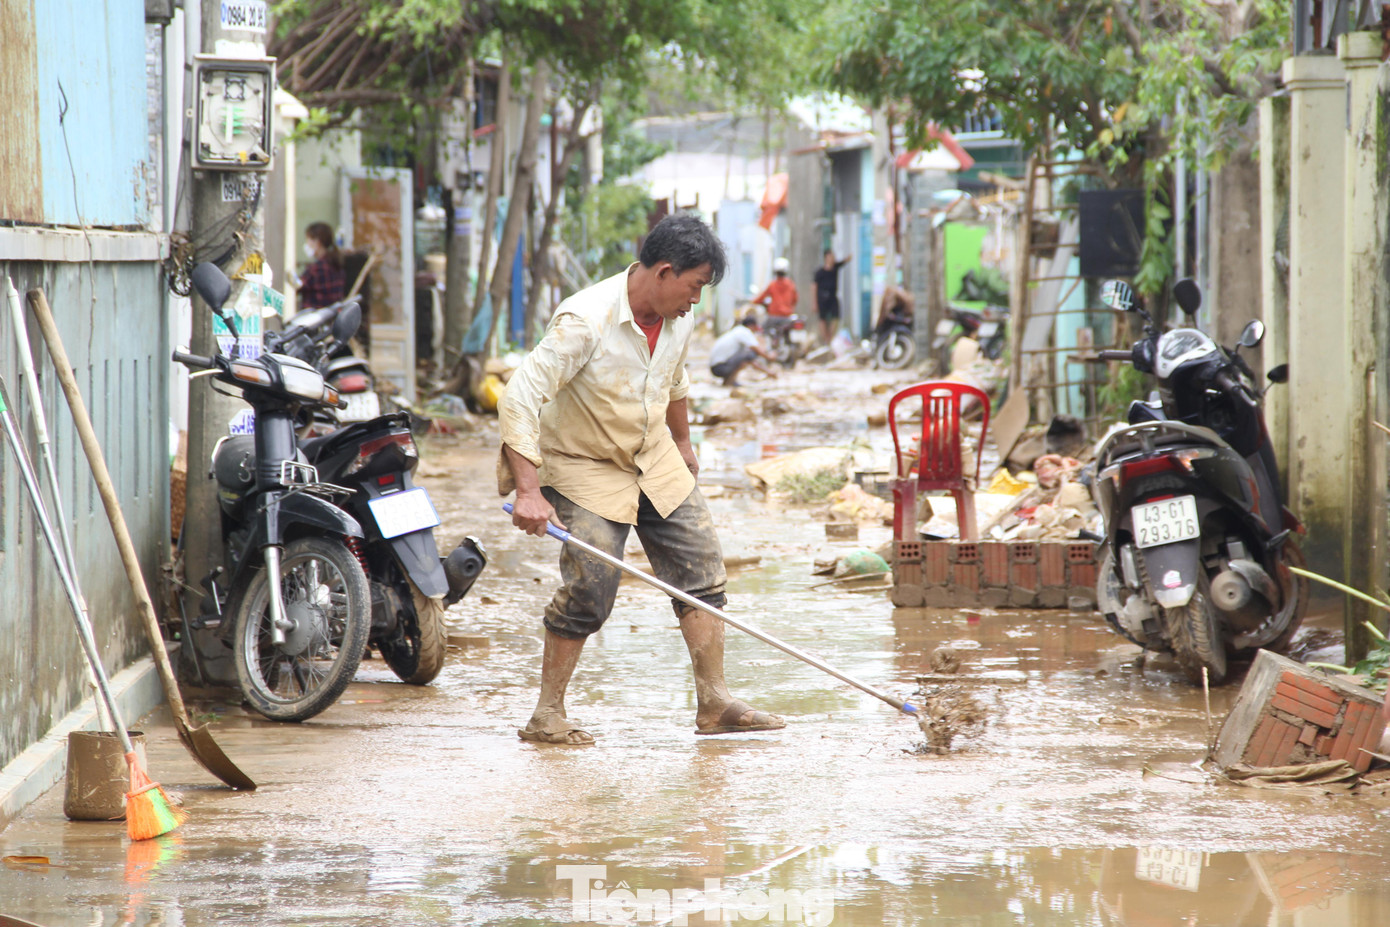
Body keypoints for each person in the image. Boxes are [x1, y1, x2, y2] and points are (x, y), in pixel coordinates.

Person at [498, 213, 786, 745]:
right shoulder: (585, 321)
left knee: (701, 567)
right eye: (694, 286)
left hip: (652, 454)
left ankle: (714, 703)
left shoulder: (679, 319)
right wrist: (529, 491)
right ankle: (547, 713)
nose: (696, 300)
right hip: (584, 461)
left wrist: (683, 443)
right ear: (664, 271)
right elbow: (519, 397)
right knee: (592, 584)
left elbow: (674, 380)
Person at [709, 314, 779, 386]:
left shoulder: (737, 331)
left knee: (746, 356)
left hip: (716, 366)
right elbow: (756, 351)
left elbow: (752, 361)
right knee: (749, 355)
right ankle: (729, 381)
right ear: (752, 326)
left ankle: (729, 380)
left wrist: (768, 372)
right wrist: (769, 357)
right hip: (720, 367)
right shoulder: (744, 332)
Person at [299, 222, 345, 309]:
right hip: (332, 313)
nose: (307, 244)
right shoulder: (335, 263)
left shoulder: (317, 268)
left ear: (317, 242)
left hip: (316, 313)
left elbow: (298, 286)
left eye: (308, 240)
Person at [813, 250, 850, 345]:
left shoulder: (835, 268)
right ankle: (826, 339)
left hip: (832, 297)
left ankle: (830, 338)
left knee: (836, 317)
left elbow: (844, 261)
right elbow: (814, 287)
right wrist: (814, 302)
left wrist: (850, 256)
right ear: (826, 258)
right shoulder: (820, 272)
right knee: (822, 319)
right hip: (822, 298)